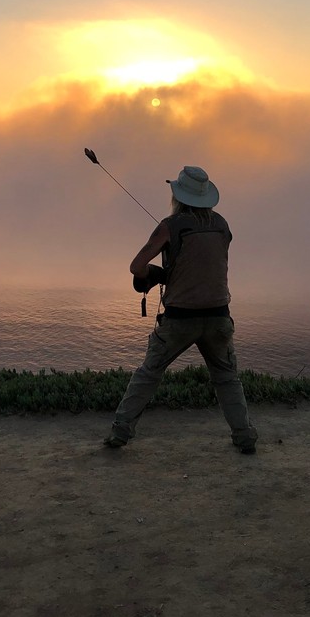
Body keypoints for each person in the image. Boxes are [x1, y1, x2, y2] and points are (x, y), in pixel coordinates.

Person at [104, 165, 258, 454]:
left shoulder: (168, 226)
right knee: (227, 378)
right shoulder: (223, 225)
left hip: (180, 319)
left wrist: (159, 273)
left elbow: (136, 267)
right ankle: (244, 436)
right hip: (218, 316)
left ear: (178, 195)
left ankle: (120, 433)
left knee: (149, 374)